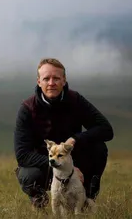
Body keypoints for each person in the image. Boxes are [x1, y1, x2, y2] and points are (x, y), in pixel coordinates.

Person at [14, 58, 114, 210]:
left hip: (75, 159)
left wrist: (75, 138)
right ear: (39, 81)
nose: (51, 83)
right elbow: (22, 155)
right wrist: (62, 167)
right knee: (28, 175)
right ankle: (39, 202)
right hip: (44, 166)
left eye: (56, 78)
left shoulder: (76, 100)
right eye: (46, 78)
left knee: (98, 148)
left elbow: (106, 130)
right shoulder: (27, 108)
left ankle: (88, 199)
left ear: (64, 80)